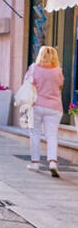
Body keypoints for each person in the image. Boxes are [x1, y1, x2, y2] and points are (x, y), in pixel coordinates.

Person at [25, 45, 66, 177]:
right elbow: (60, 87)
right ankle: (53, 161)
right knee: (52, 135)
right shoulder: (58, 71)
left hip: (36, 105)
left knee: (35, 133)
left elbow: (28, 86)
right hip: (54, 107)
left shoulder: (33, 69)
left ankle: (35, 163)